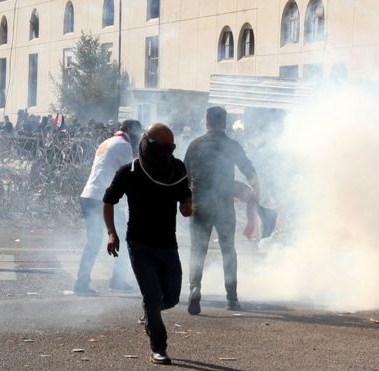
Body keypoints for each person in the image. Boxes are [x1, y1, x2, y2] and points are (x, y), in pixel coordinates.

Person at [103, 123, 192, 365]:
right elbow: (109, 200)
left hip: (168, 244)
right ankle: (159, 348)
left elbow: (185, 193)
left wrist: (186, 205)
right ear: (148, 145)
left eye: (170, 147)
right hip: (139, 244)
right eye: (162, 147)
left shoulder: (177, 168)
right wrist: (111, 233)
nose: (167, 152)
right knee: (152, 298)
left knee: (171, 298)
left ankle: (149, 314)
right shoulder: (129, 172)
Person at [184, 106, 260, 314]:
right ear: (224, 123)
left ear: (207, 122)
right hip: (224, 206)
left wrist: (185, 201)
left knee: (198, 250)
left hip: (199, 205)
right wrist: (256, 197)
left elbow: (184, 177)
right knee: (228, 251)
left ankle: (195, 288)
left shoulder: (195, 145)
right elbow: (250, 172)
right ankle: (232, 298)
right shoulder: (232, 145)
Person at [74, 119, 142, 296]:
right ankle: (84, 283)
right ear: (133, 132)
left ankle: (114, 280)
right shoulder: (124, 145)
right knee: (120, 238)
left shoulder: (107, 142)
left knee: (96, 241)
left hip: (90, 196)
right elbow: (131, 174)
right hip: (100, 199)